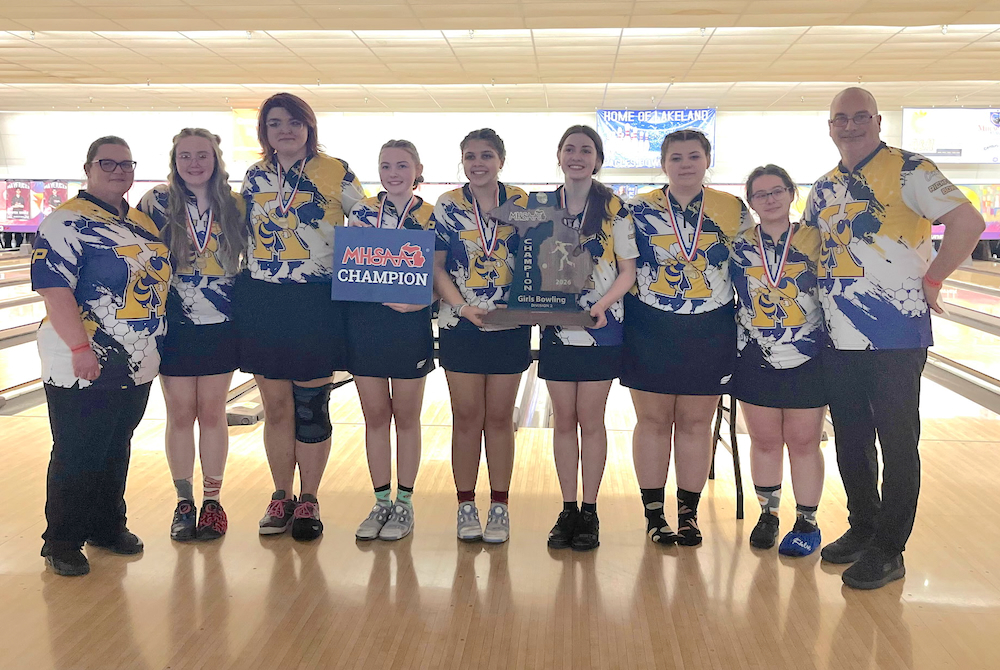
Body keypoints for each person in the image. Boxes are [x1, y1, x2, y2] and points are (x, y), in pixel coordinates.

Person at [804, 87, 985, 588]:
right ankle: (863, 528)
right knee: (852, 438)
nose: (851, 125)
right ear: (831, 126)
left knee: (897, 442)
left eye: (861, 116)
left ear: (878, 121)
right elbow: (807, 249)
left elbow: (968, 222)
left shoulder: (912, 169)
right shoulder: (822, 188)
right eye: (841, 118)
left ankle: (890, 547)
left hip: (896, 336)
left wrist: (934, 279)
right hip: (838, 336)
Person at [31, 136, 169, 576]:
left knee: (115, 445)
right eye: (107, 163)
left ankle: (107, 526)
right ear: (88, 168)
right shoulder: (66, 221)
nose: (118, 170)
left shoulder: (142, 222)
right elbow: (55, 290)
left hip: (137, 357)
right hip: (82, 358)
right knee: (78, 449)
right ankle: (62, 540)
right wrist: (80, 348)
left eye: (126, 164)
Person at [236, 93, 365, 541]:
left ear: (309, 126)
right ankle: (280, 494)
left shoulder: (337, 171)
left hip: (316, 300)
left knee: (311, 406)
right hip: (264, 300)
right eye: (275, 124)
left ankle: (309, 497)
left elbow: (368, 225)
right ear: (265, 132)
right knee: (275, 406)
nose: (284, 130)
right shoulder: (254, 176)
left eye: (293, 122)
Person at [624, 129, 752, 546]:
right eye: (675, 157)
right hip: (650, 324)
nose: (685, 164)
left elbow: (751, 268)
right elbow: (620, 268)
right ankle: (653, 513)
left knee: (696, 424)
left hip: (710, 327)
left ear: (706, 160)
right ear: (663, 163)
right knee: (654, 421)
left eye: (693, 156)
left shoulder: (733, 210)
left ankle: (688, 513)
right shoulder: (636, 209)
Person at [138, 128, 246, 542]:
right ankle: (184, 501)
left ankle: (213, 502)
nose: (194, 163)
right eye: (186, 156)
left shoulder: (233, 204)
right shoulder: (156, 202)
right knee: (181, 413)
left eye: (203, 155)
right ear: (175, 160)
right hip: (174, 323)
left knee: (213, 411)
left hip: (222, 322)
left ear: (216, 159)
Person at [540, 125, 638, 552]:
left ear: (597, 159)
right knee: (564, 420)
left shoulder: (616, 207)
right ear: (558, 156)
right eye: (569, 149)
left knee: (590, 419)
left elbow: (627, 272)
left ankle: (591, 509)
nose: (576, 156)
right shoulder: (540, 205)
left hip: (601, 325)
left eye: (585, 150)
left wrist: (601, 306)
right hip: (557, 327)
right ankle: (567, 508)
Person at [432, 128, 529, 544]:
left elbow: (540, 257)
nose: (478, 163)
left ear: (500, 161)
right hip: (461, 323)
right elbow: (435, 267)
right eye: (470, 156)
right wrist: (460, 306)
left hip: (509, 323)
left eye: (486, 155)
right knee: (467, 417)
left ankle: (501, 506)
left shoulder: (522, 203)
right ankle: (466, 504)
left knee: (500, 418)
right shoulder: (448, 205)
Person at [730, 164, 826, 556]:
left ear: (791, 193)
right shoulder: (738, 245)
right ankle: (768, 515)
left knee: (804, 442)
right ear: (751, 202)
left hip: (809, 353)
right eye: (760, 194)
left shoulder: (816, 239)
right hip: (754, 354)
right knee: (765, 440)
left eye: (776, 191)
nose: (769, 199)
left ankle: (807, 521)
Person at [348, 140, 435, 542]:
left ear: (418, 169)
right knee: (375, 417)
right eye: (386, 165)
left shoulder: (433, 215)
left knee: (406, 417)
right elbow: (349, 267)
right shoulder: (361, 212)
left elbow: (441, 275)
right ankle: (381, 501)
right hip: (366, 324)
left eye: (402, 165)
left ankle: (405, 503)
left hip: (409, 327)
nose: (393, 172)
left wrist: (420, 303)